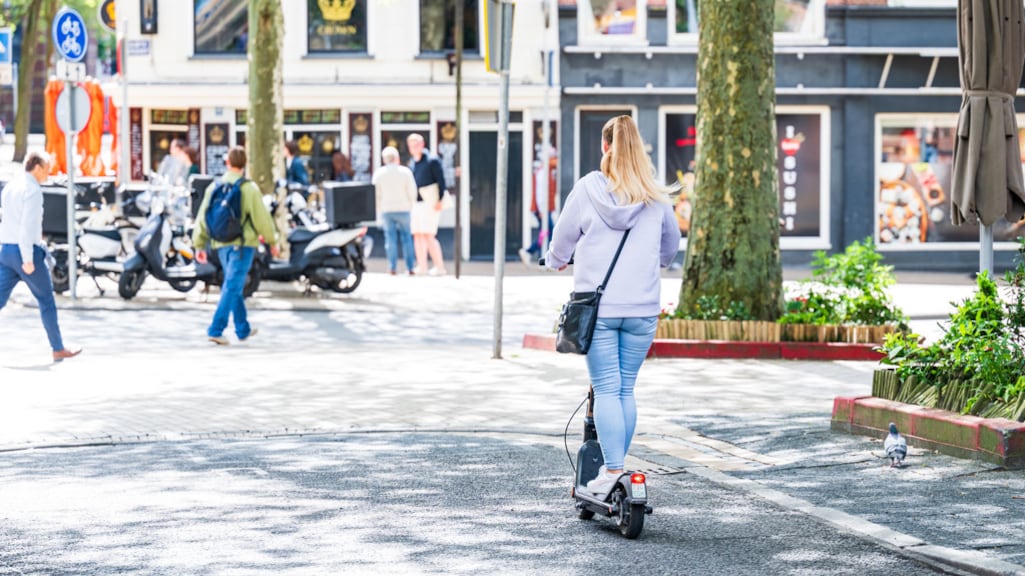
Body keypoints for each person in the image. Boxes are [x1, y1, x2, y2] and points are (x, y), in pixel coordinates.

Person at [545, 115, 680, 496]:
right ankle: (619, 468)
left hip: (599, 311)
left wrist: (556, 260)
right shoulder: (655, 194)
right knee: (625, 390)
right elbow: (670, 249)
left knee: (606, 388)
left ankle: (612, 470)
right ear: (639, 148)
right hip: (642, 310)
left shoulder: (589, 188)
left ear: (605, 147)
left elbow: (561, 241)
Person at [192, 146, 279, 346]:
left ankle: (242, 329)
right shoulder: (248, 188)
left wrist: (199, 245)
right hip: (242, 245)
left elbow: (202, 217)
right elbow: (262, 219)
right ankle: (216, 329)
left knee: (234, 285)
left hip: (220, 244)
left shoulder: (214, 187)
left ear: (227, 163)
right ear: (244, 164)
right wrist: (272, 241)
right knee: (232, 286)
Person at [0, 152, 82, 362]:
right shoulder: (33, 191)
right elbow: (27, 227)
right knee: (46, 300)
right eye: (46, 169)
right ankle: (58, 348)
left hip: (7, 251)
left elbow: (8, 220)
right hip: (26, 253)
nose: (48, 173)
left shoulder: (10, 186)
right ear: (36, 167)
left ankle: (58, 347)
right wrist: (28, 259)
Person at [373, 146, 419, 276]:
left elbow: (376, 194)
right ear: (397, 158)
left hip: (387, 210)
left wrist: (379, 208)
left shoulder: (379, 174)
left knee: (390, 239)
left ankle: (392, 267)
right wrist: (411, 205)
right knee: (407, 238)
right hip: (404, 209)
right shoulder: (405, 172)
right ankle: (410, 267)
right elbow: (412, 191)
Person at [407, 133, 447, 276]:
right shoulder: (412, 163)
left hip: (430, 203)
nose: (414, 148)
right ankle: (422, 266)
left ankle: (439, 267)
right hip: (416, 203)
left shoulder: (432, 160)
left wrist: (440, 200)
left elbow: (441, 181)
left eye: (416, 144)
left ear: (422, 144)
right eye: (411, 145)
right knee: (417, 235)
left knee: (429, 235)